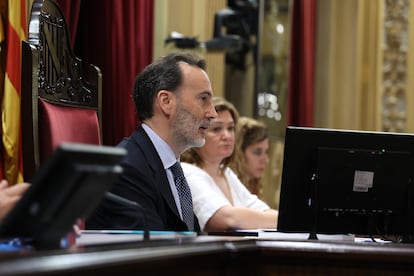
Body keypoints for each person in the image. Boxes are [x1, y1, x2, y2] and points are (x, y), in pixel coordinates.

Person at [86, 52, 217, 232]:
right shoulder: (127, 169)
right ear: (166, 102)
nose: (212, 113)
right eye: (203, 99)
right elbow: (150, 252)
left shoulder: (172, 169)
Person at [180, 97, 278, 232]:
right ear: (197, 132)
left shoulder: (225, 172)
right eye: (216, 129)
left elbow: (265, 211)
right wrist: (274, 220)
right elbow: (228, 219)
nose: (227, 136)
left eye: (231, 128)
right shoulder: (188, 172)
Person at [230, 116, 269, 197]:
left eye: (266, 152)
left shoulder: (253, 187)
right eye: (257, 152)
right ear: (239, 153)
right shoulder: (228, 188)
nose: (265, 160)